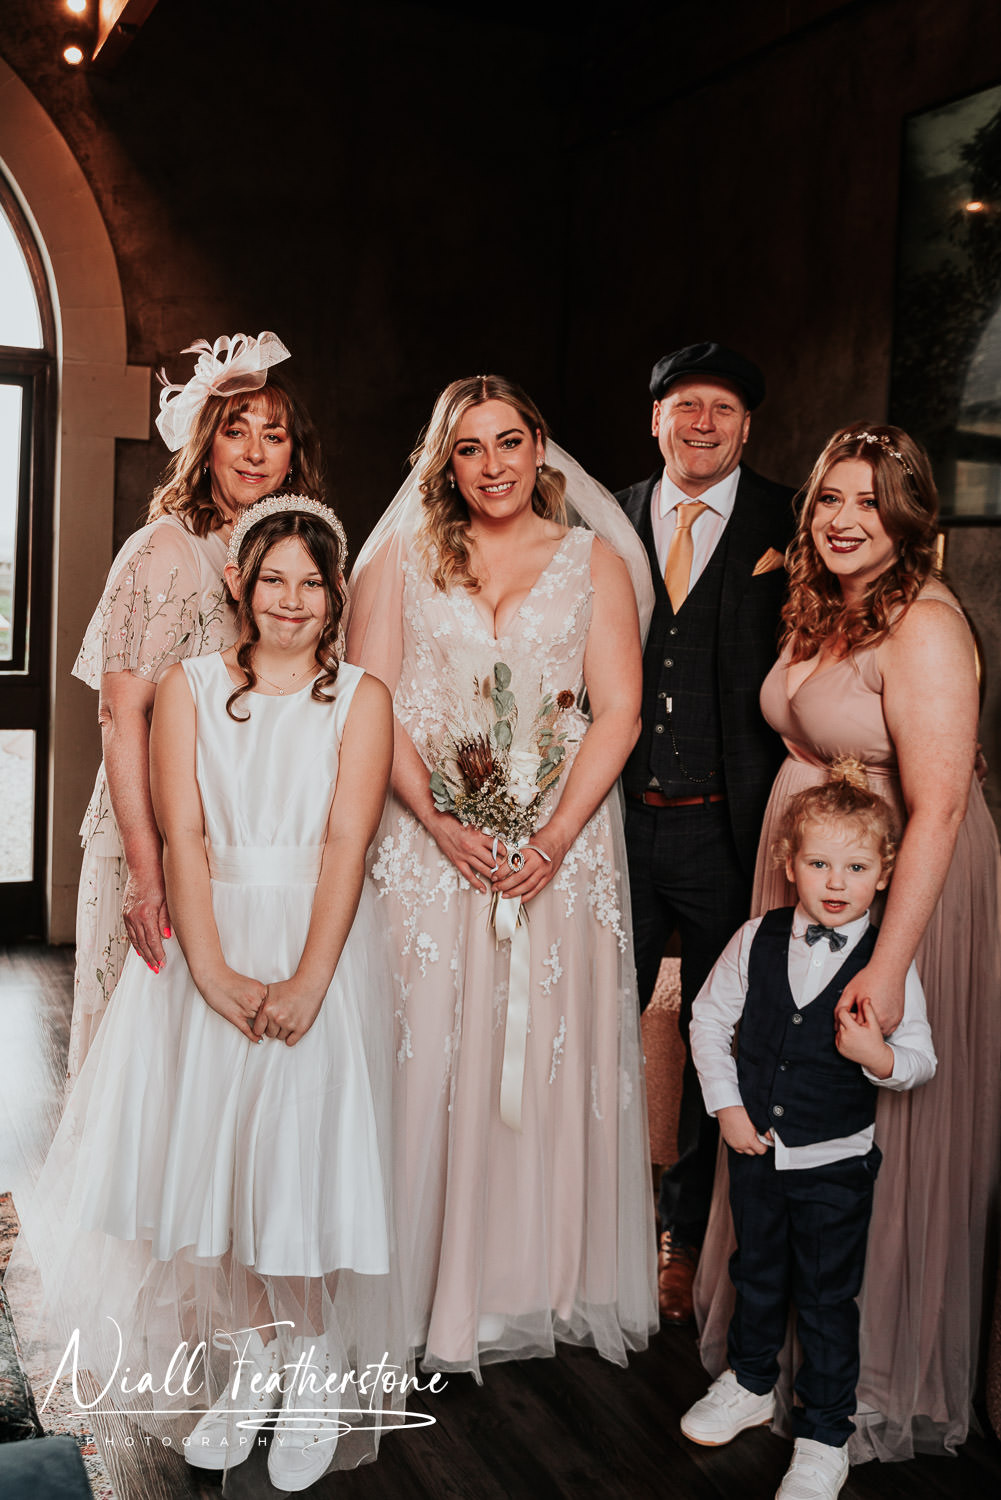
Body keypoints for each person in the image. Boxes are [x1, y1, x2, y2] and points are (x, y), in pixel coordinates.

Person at [13, 496, 406, 1490]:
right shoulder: (188, 690)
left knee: (293, 1164)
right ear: (240, 583)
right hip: (211, 941)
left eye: (310, 583)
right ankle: (250, 1366)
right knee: (218, 1169)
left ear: (334, 595)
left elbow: (344, 844)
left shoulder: (360, 699)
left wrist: (310, 979)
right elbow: (183, 834)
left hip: (312, 941)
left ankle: (312, 1370)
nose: (290, 600)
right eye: (271, 578)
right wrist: (212, 969)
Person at [694, 424, 1001, 1462]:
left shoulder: (919, 624)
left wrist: (883, 961)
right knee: (783, 1108)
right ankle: (760, 1368)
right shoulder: (824, 605)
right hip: (810, 874)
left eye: (868, 503)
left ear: (906, 516)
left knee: (867, 1124)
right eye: (829, 496)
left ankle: (858, 1389)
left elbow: (942, 805)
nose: (841, 518)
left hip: (888, 895)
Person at [346, 374, 658, 1376]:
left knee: (541, 1058)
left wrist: (554, 835)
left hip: (556, 854)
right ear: (444, 462)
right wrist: (437, 823)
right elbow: (374, 702)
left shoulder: (594, 562)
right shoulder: (402, 558)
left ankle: (529, 1283)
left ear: (540, 448)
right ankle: (423, 1285)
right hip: (431, 846)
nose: (491, 466)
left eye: (508, 442)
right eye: (469, 448)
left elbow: (615, 708)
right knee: (429, 1049)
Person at [69, 330, 323, 1080]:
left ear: (292, 453)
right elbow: (121, 716)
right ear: (204, 447)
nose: (252, 451)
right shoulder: (164, 551)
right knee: (139, 1064)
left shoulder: (276, 559)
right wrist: (148, 875)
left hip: (233, 845)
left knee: (208, 1068)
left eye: (270, 435)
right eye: (233, 431)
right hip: (151, 837)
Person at [682, 765, 935, 1500]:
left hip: (835, 1163)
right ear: (786, 863)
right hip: (755, 1151)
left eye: (855, 867)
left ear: (884, 874)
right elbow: (706, 1019)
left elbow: (921, 1059)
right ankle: (751, 1382)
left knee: (825, 1299)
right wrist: (726, 1106)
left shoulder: (888, 963)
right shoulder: (754, 937)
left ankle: (826, 1433)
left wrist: (878, 1058)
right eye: (818, 863)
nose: (834, 881)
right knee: (754, 1274)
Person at [616, 342, 795, 1321]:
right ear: (654, 420)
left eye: (721, 408)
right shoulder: (603, 513)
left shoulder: (790, 517)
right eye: (684, 405)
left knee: (708, 1033)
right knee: (592, 1026)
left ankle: (679, 1244)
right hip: (610, 825)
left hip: (730, 830)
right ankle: (588, 1227)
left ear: (745, 425)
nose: (701, 423)